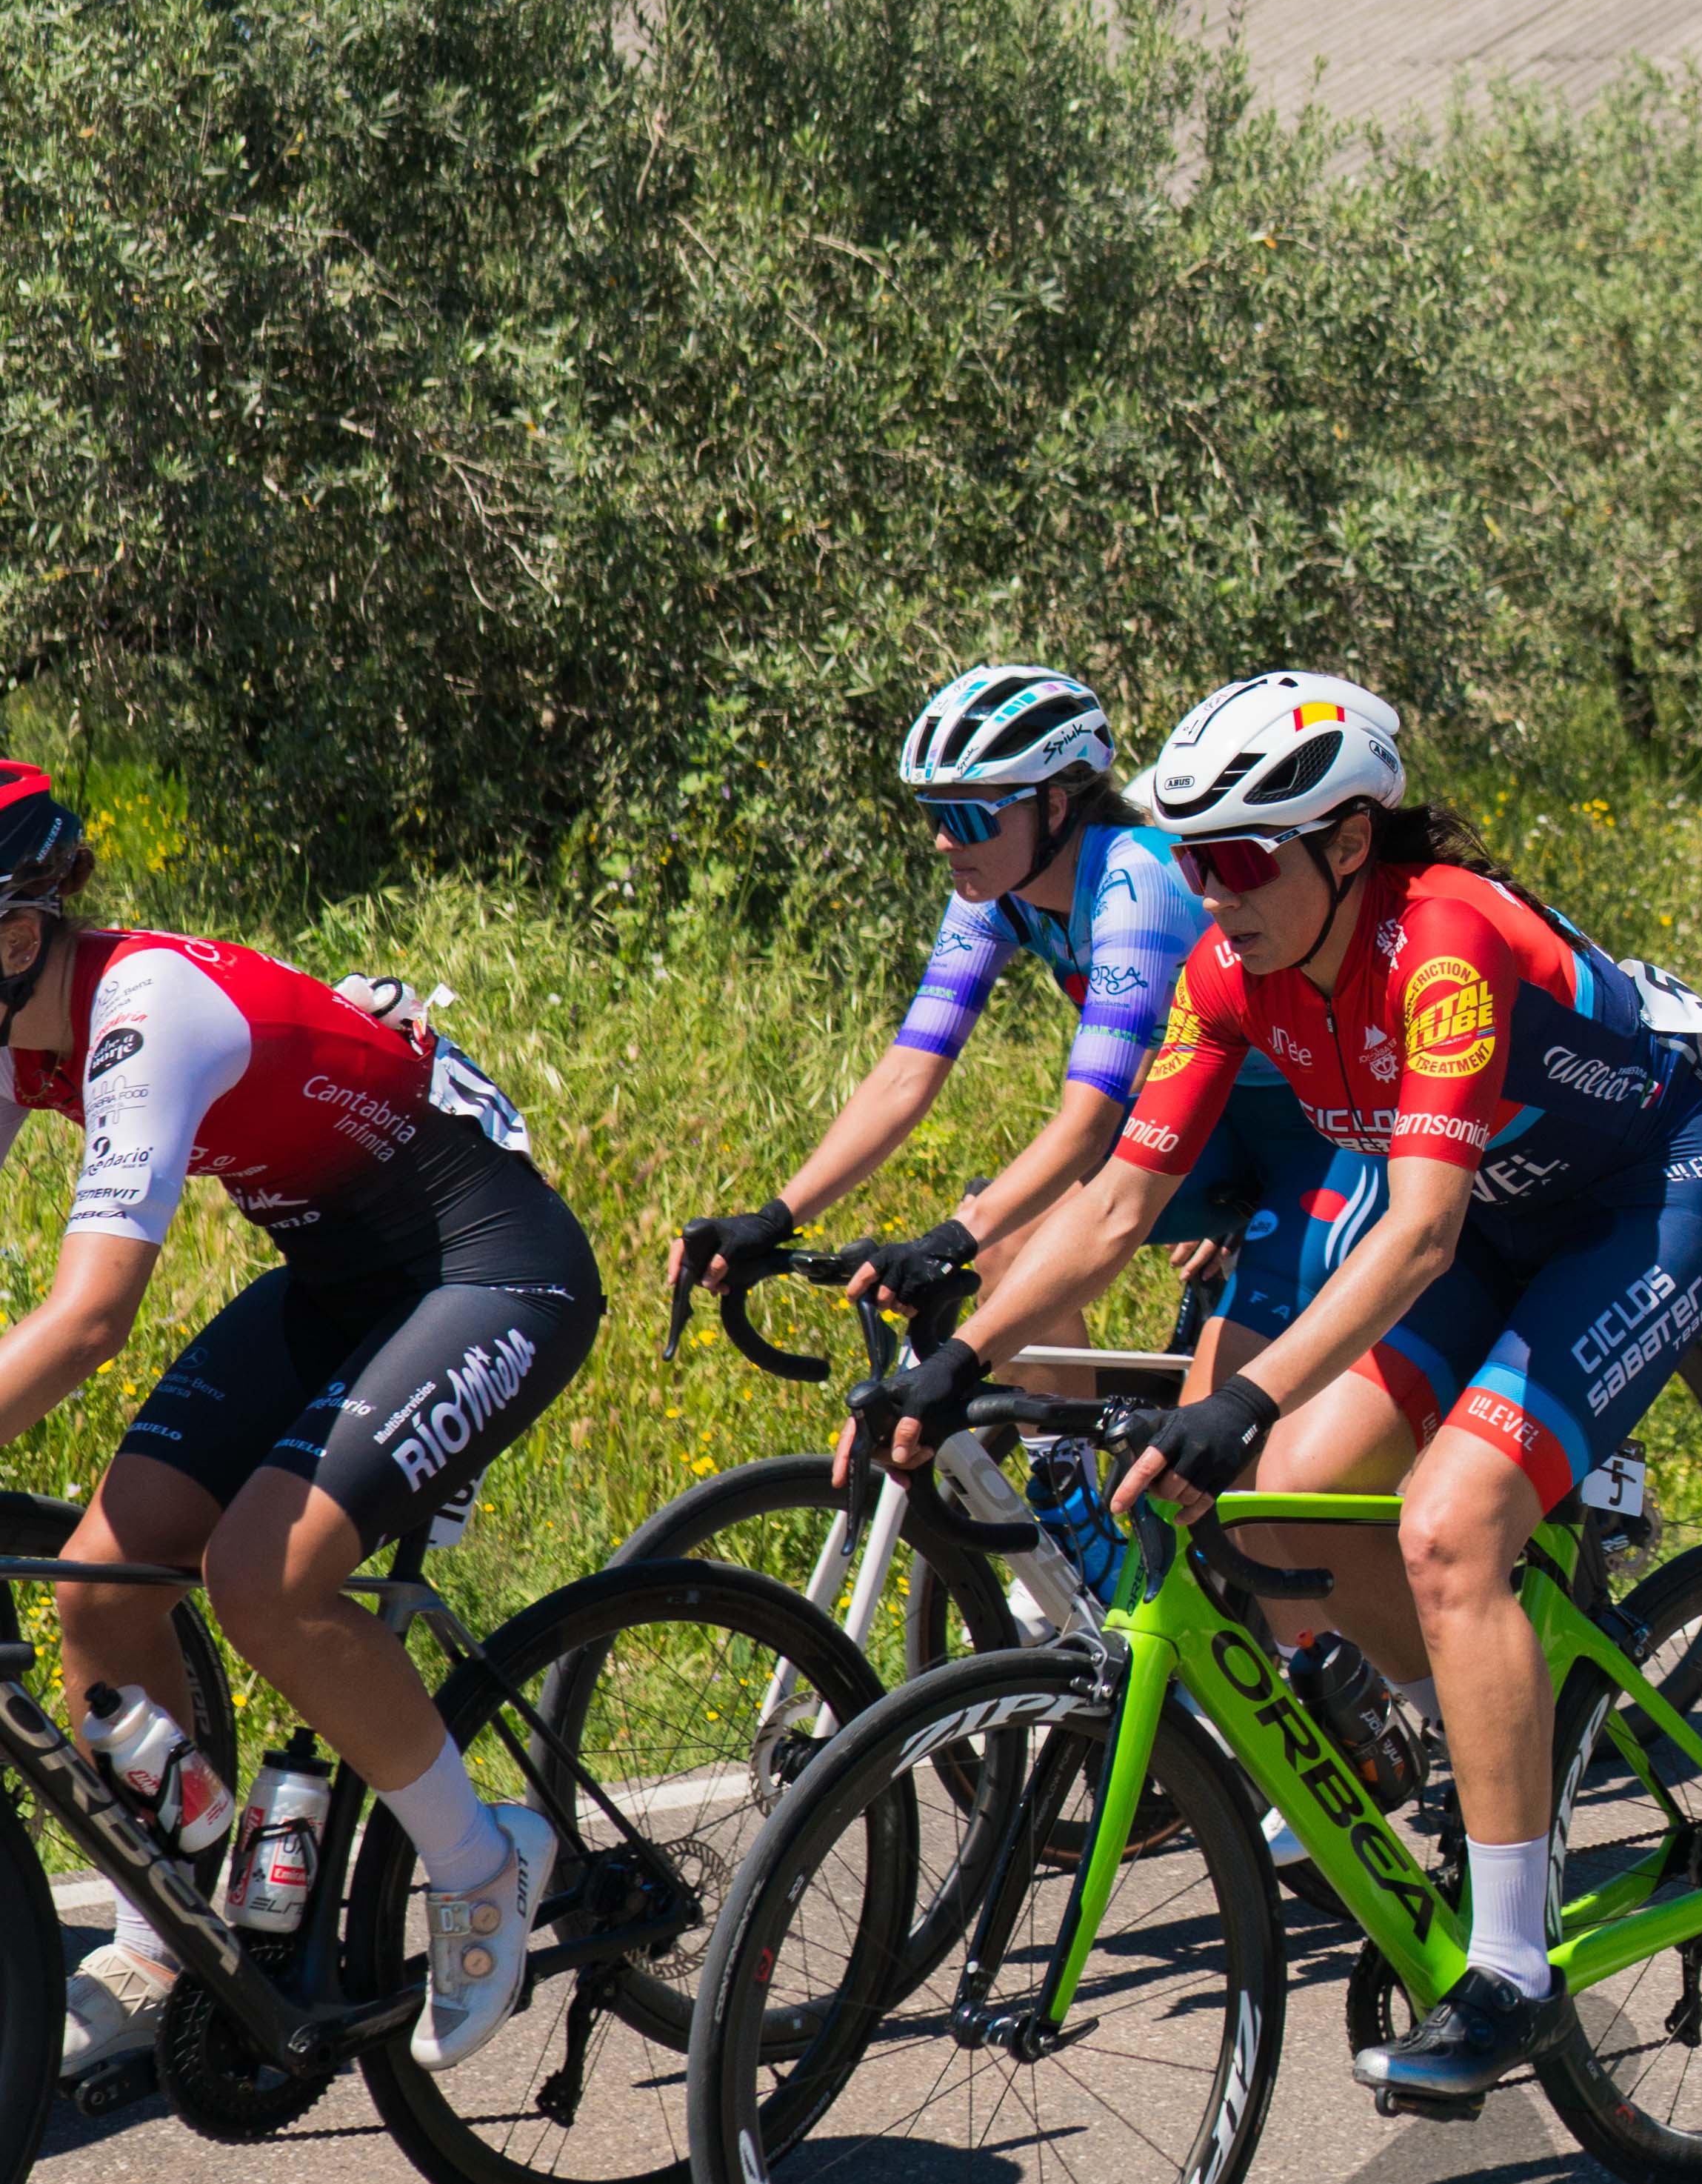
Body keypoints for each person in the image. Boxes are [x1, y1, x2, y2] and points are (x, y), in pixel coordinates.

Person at [875, 677, 1702, 2114]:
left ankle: (1515, 1973)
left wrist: (1249, 1388)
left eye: (1240, 859)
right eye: (1193, 856)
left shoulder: (1447, 939)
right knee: (1293, 1511)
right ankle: (1488, 1736)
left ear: (1347, 843)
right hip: (1496, 1224)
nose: (1212, 893)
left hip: (1644, 1210)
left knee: (1452, 1525)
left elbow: (1415, 1234)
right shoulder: (1233, 972)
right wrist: (963, 1358)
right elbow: (1112, 1210)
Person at [0, 765, 606, 2077]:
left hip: (495, 1272)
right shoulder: (19, 1028)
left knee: (260, 1579)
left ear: (15, 933)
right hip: (347, 1281)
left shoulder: (143, 1011)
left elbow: (92, 1315)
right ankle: (177, 1924)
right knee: (101, 1592)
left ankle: (480, 1856)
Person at [672, 661, 1364, 1387]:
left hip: (1314, 1131)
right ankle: (1068, 1492)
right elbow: (908, 1072)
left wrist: (946, 1239)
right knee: (997, 1252)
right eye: (934, 815)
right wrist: (777, 1215)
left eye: (968, 816)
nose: (944, 840)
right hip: (1201, 1114)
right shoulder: (994, 891)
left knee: (1210, 1419)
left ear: (1056, 806)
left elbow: (1088, 1123)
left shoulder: (1139, 883)